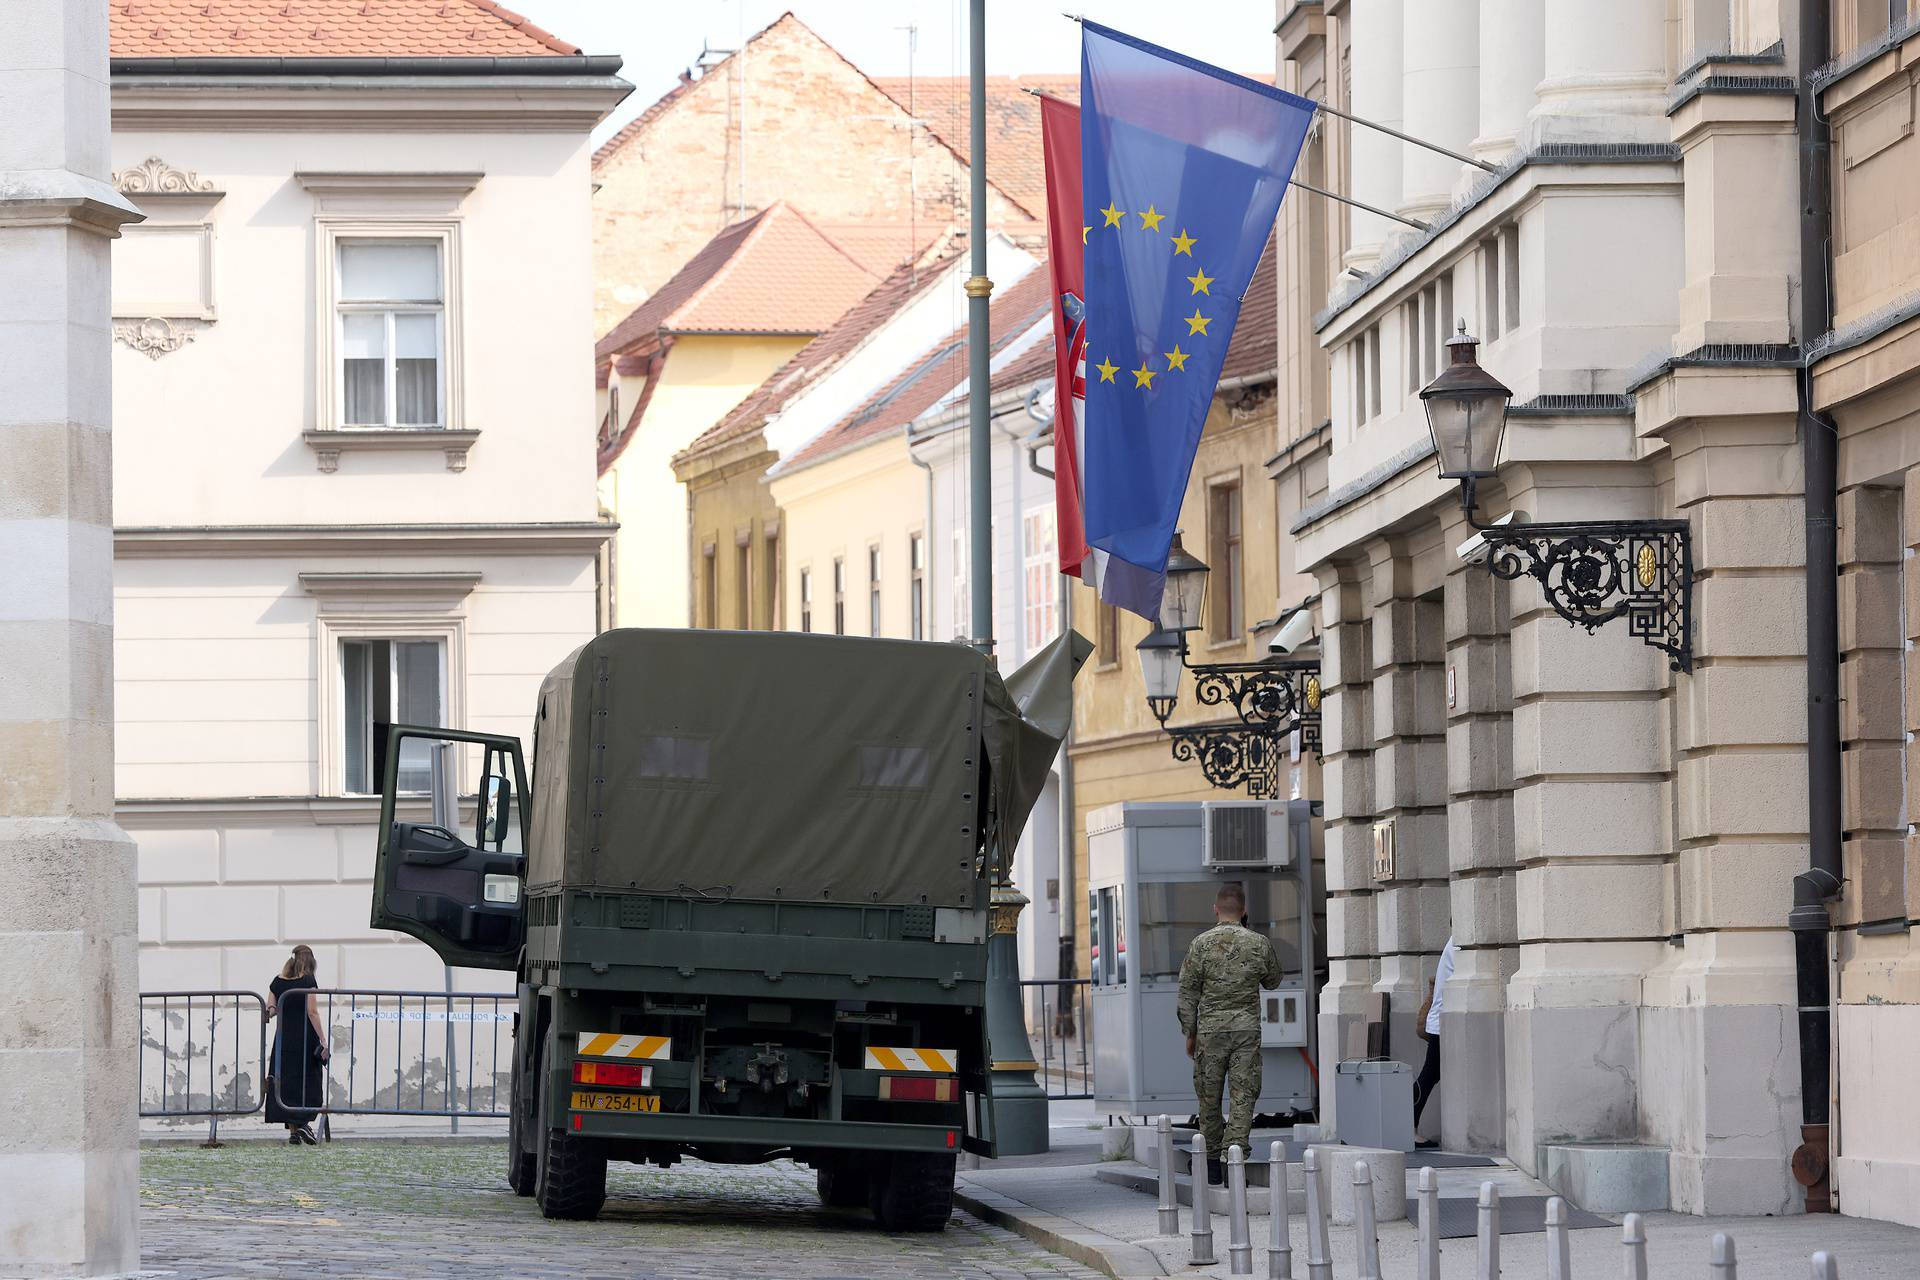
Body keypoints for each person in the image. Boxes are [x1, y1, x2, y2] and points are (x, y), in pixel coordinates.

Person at [1177, 882, 1282, 1185]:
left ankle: (1210, 1164)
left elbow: (1187, 992)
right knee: (1243, 1097)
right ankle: (1233, 1160)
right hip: (1246, 1031)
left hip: (1209, 1033)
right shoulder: (1258, 943)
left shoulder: (1200, 944)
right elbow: (1273, 980)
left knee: (1209, 1098)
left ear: (1216, 909)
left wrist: (1190, 1031)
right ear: (1244, 910)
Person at [266, 944, 329, 1144]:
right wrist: (323, 1039)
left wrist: (269, 1011)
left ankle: (294, 1132)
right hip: (304, 1038)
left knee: (285, 1083)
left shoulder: (277, 982)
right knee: (307, 1080)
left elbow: (271, 1009)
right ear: (310, 962)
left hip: (283, 1039)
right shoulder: (308, 980)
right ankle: (302, 1125)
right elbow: (312, 1011)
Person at [1413, 935, 1457, 1149]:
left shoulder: (1452, 942)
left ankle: (1407, 1125)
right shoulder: (1457, 942)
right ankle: (1408, 1126)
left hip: (1439, 1021)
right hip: (1441, 1023)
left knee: (1430, 1075)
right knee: (1429, 1075)